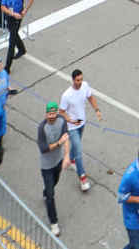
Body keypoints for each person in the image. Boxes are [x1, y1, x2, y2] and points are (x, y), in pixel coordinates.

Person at [60, 67, 102, 192]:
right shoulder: (66, 95)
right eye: (77, 80)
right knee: (78, 150)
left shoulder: (85, 86)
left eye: (81, 79)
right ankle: (82, 178)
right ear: (73, 80)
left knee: (76, 148)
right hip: (71, 127)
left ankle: (71, 158)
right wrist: (70, 120)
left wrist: (97, 110)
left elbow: (90, 97)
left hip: (82, 123)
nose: (80, 82)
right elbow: (61, 112)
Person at [38, 101, 73, 236]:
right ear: (46, 114)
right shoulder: (42, 128)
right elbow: (44, 149)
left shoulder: (62, 121)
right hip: (46, 166)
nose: (51, 116)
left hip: (58, 162)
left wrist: (67, 156)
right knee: (51, 195)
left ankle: (46, 191)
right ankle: (54, 223)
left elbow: (66, 138)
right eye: (49, 114)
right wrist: (58, 143)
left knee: (53, 185)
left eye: (54, 113)